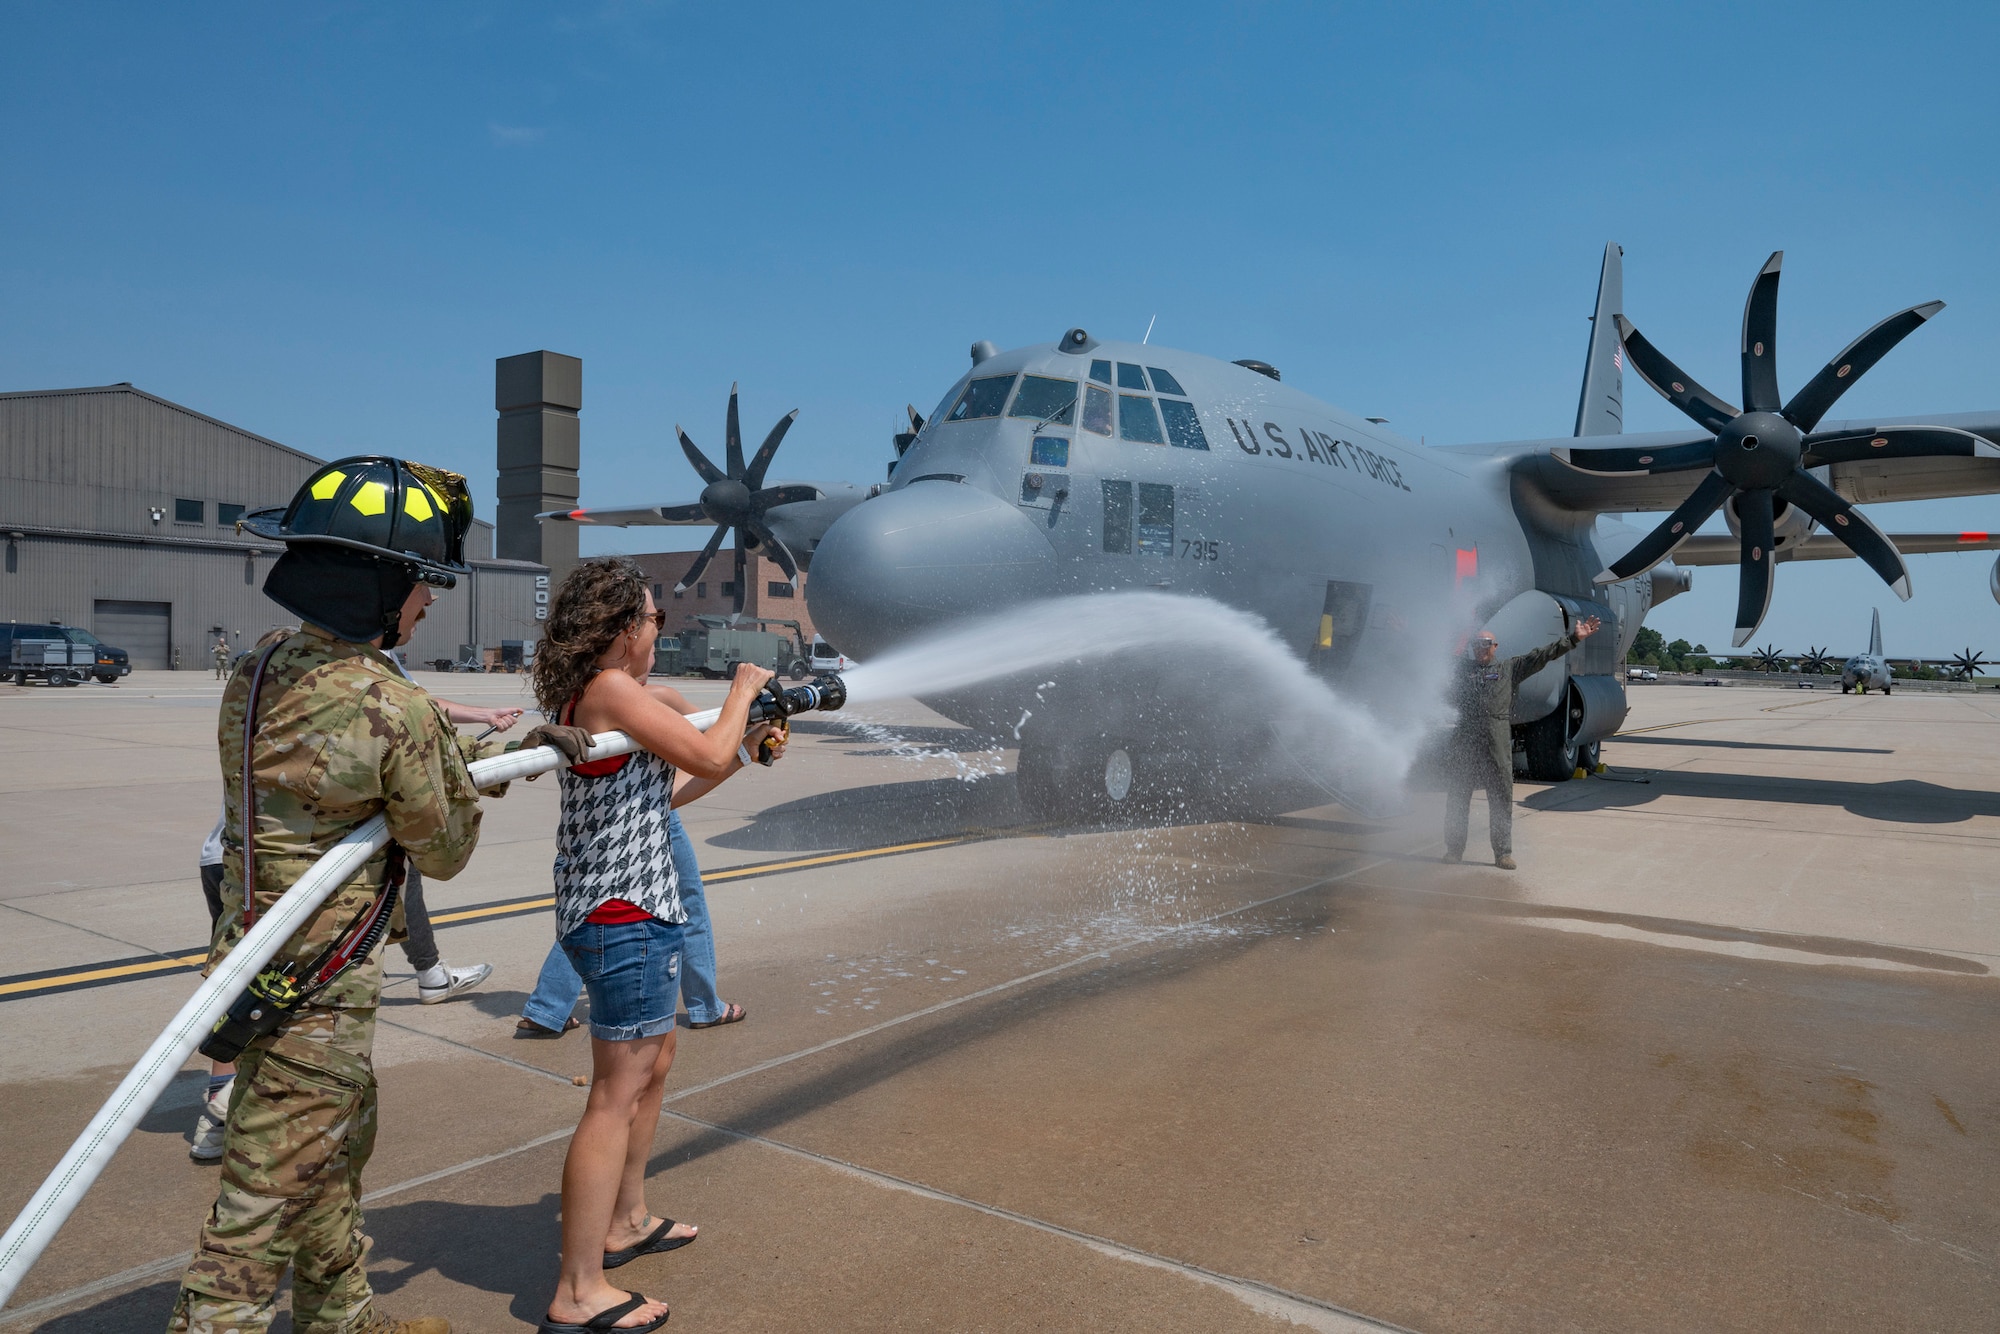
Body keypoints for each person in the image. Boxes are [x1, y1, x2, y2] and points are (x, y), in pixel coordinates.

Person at [168, 456, 589, 1334]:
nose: (428, 602)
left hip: (253, 959)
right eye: (419, 583)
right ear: (377, 586)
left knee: (332, 1155)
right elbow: (443, 848)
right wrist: (459, 767)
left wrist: (494, 757)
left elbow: (348, 778)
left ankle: (343, 1319)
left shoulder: (265, 666)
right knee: (264, 1199)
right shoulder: (390, 705)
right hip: (316, 986)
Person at [530, 556, 783, 1334]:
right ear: (620, 629)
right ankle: (578, 1289)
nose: (658, 631)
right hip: (622, 915)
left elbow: (672, 787)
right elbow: (699, 750)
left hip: (639, 909)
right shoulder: (606, 691)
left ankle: (626, 1220)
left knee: (654, 1065)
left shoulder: (621, 700)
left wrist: (743, 749)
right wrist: (742, 693)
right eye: (653, 618)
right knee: (615, 1094)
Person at [516, 679, 744, 1039]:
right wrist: (744, 700)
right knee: (683, 904)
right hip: (648, 814)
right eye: (653, 622)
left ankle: (548, 1006)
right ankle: (704, 1004)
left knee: (596, 908)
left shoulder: (579, 695)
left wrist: (748, 743)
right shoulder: (646, 697)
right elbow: (714, 746)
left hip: (611, 824)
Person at [1444, 614, 1601, 870]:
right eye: (1477, 643)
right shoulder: (1463, 670)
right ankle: (1453, 849)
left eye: (1486, 643)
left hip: (1496, 739)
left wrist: (1573, 639)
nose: (1481, 647)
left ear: (1495, 647)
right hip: (1466, 737)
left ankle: (1502, 853)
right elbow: (1431, 660)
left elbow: (1541, 655)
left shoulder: (1509, 669)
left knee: (1501, 796)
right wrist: (1402, 634)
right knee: (1458, 796)